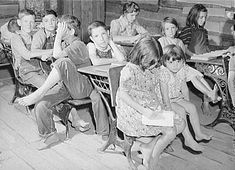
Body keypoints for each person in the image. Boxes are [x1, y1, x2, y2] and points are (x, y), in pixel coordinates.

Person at [16, 14, 110, 148]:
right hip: (67, 86)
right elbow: (54, 54)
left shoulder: (78, 45)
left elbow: (57, 55)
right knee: (41, 104)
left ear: (71, 31)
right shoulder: (65, 44)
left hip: (82, 86)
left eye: (61, 28)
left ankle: (39, 92)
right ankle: (50, 134)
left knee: (63, 62)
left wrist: (58, 36)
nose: (57, 29)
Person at [116, 36, 185, 169]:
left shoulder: (155, 67)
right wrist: (145, 110)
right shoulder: (129, 70)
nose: (154, 66)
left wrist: (164, 109)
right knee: (170, 132)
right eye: (150, 62)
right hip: (133, 111)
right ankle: (152, 161)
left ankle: (149, 147)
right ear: (140, 56)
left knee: (181, 123)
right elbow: (123, 95)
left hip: (151, 107)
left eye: (157, 61)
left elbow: (156, 91)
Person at [159, 45, 213, 148]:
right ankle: (188, 139)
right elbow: (164, 95)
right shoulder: (164, 73)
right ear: (164, 62)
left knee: (192, 107)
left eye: (178, 62)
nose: (175, 65)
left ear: (183, 61)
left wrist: (187, 102)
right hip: (165, 100)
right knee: (181, 111)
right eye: (171, 62)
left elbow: (184, 88)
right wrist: (169, 110)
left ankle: (198, 134)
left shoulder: (181, 70)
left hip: (177, 97)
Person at [159, 16, 220, 103]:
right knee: (192, 76)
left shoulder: (179, 42)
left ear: (177, 28)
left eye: (173, 28)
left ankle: (211, 92)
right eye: (167, 29)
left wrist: (195, 57)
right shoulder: (162, 40)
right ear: (163, 31)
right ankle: (209, 93)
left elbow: (183, 55)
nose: (171, 31)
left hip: (180, 65)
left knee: (197, 75)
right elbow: (161, 57)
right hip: (169, 66)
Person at [10, 9, 53, 88]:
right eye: (25, 21)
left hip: (39, 68)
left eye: (32, 22)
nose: (29, 24)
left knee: (57, 83)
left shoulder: (34, 35)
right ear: (19, 22)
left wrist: (42, 56)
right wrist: (50, 51)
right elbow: (27, 55)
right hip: (26, 72)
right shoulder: (16, 37)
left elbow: (37, 52)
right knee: (47, 87)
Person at [31, 9, 58, 75]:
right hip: (43, 64)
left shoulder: (59, 32)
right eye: (46, 21)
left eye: (53, 20)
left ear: (57, 20)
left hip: (57, 60)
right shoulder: (40, 34)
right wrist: (52, 51)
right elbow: (34, 51)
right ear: (42, 24)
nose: (50, 23)